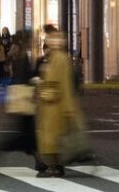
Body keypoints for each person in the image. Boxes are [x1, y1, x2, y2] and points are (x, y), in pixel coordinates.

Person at [0, 33, 45, 172]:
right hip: (23, 95)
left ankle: (38, 161)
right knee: (25, 132)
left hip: (17, 94)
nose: (32, 41)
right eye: (29, 39)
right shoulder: (21, 54)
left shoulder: (15, 53)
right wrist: (35, 78)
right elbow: (24, 76)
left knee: (26, 131)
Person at [35, 32, 91, 177]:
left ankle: (54, 166)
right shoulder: (57, 57)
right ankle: (55, 165)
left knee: (52, 137)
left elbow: (60, 83)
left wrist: (42, 84)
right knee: (52, 137)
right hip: (53, 103)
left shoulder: (59, 58)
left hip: (55, 104)